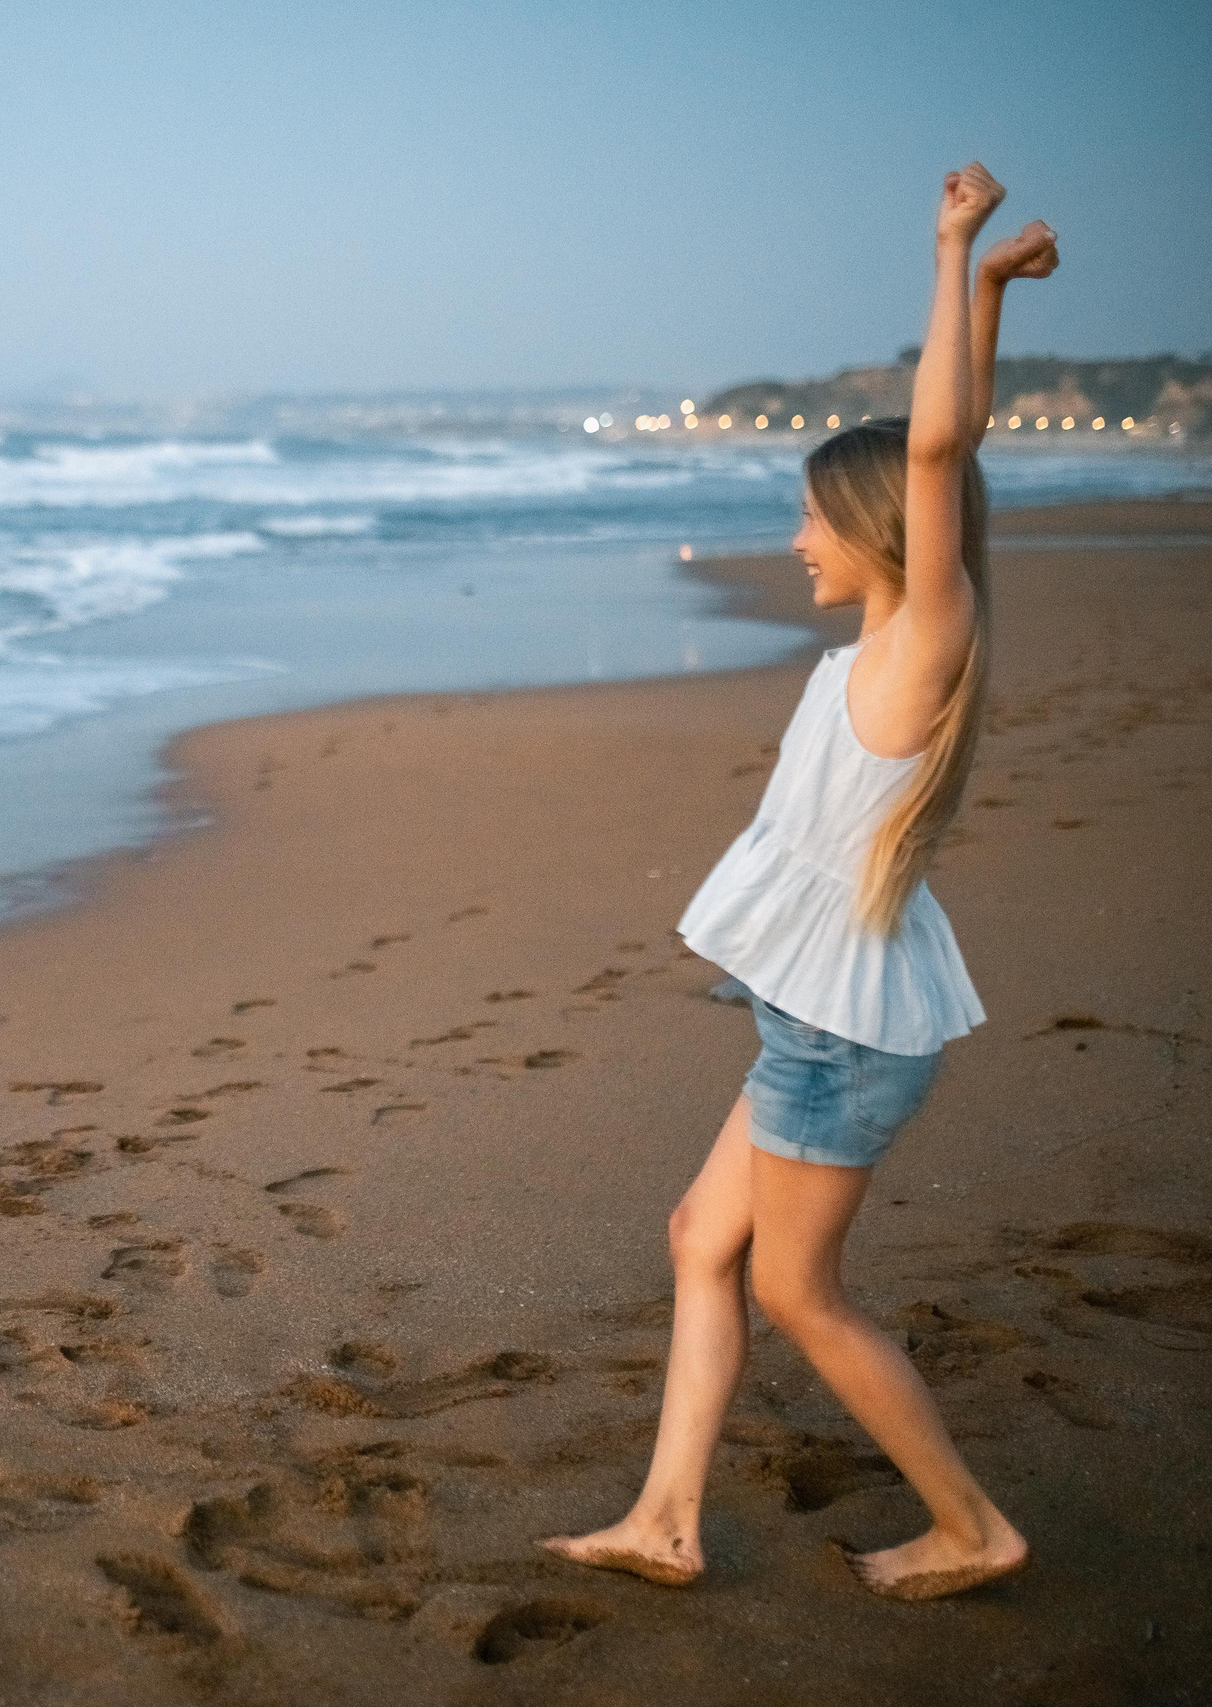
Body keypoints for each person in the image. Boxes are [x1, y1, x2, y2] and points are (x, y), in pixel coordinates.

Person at [543, 167, 1059, 1600]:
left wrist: (951, 250)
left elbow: (941, 455)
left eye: (812, 520)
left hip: (842, 1035)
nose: (795, 541)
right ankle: (665, 1516)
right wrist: (995, 300)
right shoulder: (887, 642)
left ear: (876, 530)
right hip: (812, 1012)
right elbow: (945, 454)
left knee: (796, 1289)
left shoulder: (919, 647)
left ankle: (975, 1523)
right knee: (701, 1237)